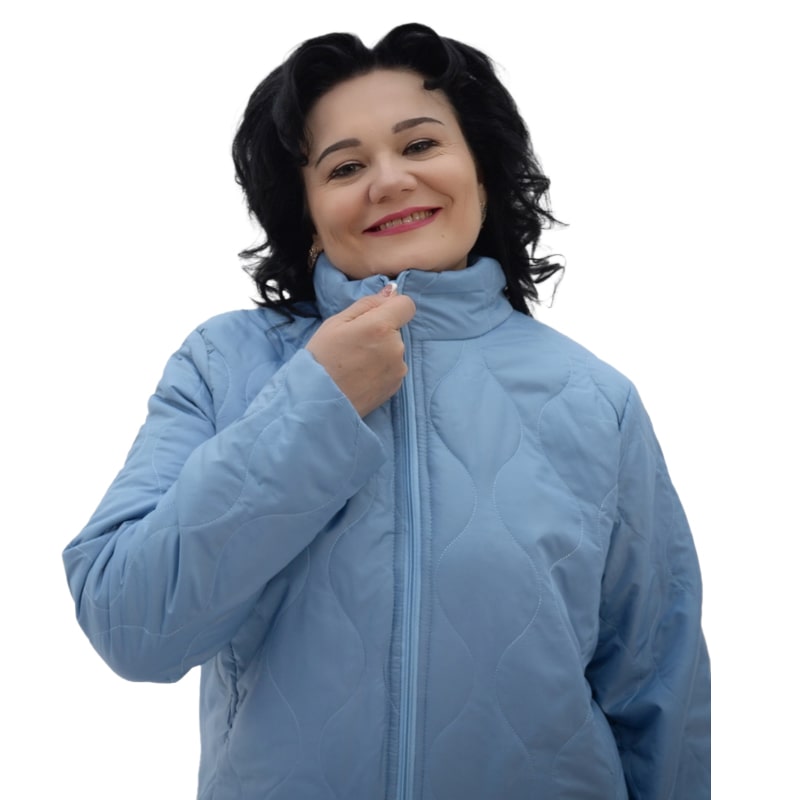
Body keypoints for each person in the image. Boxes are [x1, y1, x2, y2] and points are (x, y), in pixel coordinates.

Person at [63, 22, 710, 799]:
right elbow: (129, 623)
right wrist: (317, 400)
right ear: (307, 213)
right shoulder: (224, 364)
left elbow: (658, 689)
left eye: (420, 144)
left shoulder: (597, 399)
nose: (390, 180)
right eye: (345, 166)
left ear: (482, 173)